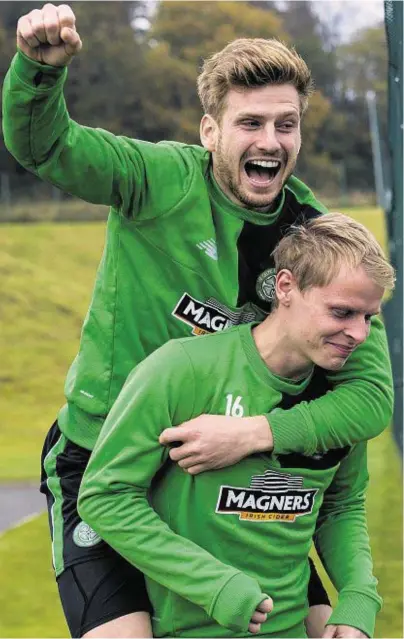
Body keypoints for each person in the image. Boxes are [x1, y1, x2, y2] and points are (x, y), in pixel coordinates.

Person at [2, 4, 393, 638]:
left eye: (285, 124)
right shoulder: (156, 179)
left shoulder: (313, 240)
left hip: (221, 474)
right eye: (251, 123)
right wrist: (39, 73)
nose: (270, 140)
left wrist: (254, 433)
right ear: (210, 131)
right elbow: (46, 147)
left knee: (329, 627)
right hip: (108, 459)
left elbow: (371, 397)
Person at [78, 212, 395, 639]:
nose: (358, 333)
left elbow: (341, 505)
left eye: (368, 317)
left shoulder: (341, 401)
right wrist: (215, 585)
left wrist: (358, 594)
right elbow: (106, 496)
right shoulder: (182, 369)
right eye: (342, 312)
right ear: (285, 287)